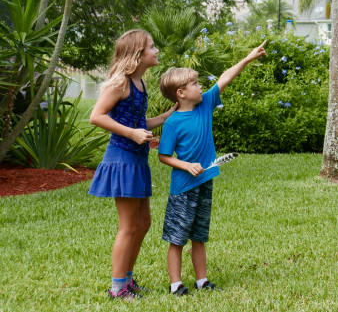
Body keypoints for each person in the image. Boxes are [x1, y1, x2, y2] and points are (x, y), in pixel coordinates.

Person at [158, 40, 266, 296]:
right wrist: (186, 165)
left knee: (199, 235)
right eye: (194, 84)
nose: (200, 86)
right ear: (180, 93)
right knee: (177, 237)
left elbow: (225, 77)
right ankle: (176, 285)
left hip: (205, 182)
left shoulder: (205, 104)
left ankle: (202, 280)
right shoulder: (173, 122)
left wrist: (248, 58)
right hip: (183, 187)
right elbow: (163, 156)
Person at [88, 29, 176, 300]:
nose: (156, 51)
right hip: (122, 159)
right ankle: (117, 288)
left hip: (137, 160)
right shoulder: (120, 83)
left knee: (144, 222)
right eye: (151, 47)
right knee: (128, 226)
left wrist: (165, 117)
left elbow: (138, 122)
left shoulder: (140, 83)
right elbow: (96, 116)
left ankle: (126, 279)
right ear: (137, 54)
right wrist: (132, 133)